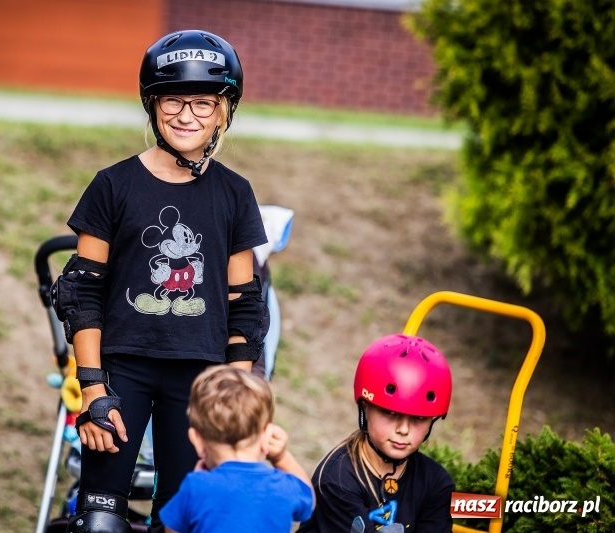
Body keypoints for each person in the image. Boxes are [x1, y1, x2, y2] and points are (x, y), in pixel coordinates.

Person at [51, 29, 270, 533]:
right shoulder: (113, 185)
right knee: (99, 521)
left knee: (181, 521)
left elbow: (244, 306)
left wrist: (233, 398)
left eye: (202, 103)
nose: (186, 115)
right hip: (121, 370)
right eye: (173, 100)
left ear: (223, 111)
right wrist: (92, 389)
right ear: (152, 104)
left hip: (199, 379)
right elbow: (82, 291)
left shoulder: (235, 193)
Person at [298, 334, 455, 533]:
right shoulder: (338, 480)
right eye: (390, 413)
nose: (403, 429)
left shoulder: (436, 483)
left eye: (419, 418)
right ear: (365, 407)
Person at [160, 365, 314, 532]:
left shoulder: (195, 487)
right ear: (267, 435)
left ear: (197, 440)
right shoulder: (284, 488)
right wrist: (281, 458)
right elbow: (310, 501)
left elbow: (171, 530)